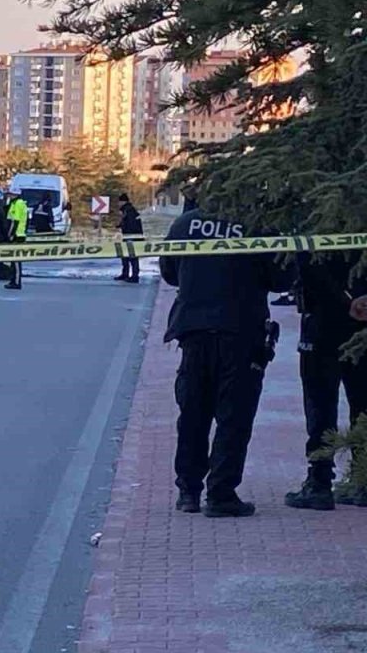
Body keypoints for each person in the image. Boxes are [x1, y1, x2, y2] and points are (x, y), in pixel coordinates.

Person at [159, 208, 294, 517]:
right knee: (234, 415)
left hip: (194, 331)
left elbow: (168, 271)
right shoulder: (258, 223)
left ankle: (188, 491)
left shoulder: (186, 223)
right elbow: (281, 277)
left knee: (193, 413)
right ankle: (220, 493)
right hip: (240, 332)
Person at [283, 252, 367, 510]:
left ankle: (320, 481)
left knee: (321, 403)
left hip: (323, 320)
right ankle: (361, 479)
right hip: (355, 322)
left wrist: (346, 301)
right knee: (361, 401)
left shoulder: (313, 221)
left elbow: (307, 268)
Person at [116, 193, 144, 283]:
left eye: (119, 202)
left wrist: (124, 228)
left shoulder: (129, 211)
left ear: (123, 201)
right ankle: (126, 274)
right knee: (125, 256)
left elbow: (131, 224)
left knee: (132, 256)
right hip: (129, 236)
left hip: (131, 236)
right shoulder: (128, 210)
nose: (118, 204)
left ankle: (134, 276)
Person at [5, 187, 29, 290]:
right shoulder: (16, 203)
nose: (9, 196)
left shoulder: (18, 204)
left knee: (16, 260)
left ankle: (16, 281)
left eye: (11, 194)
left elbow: (15, 221)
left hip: (17, 235)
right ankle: (13, 280)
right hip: (19, 234)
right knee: (13, 260)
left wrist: (10, 234)